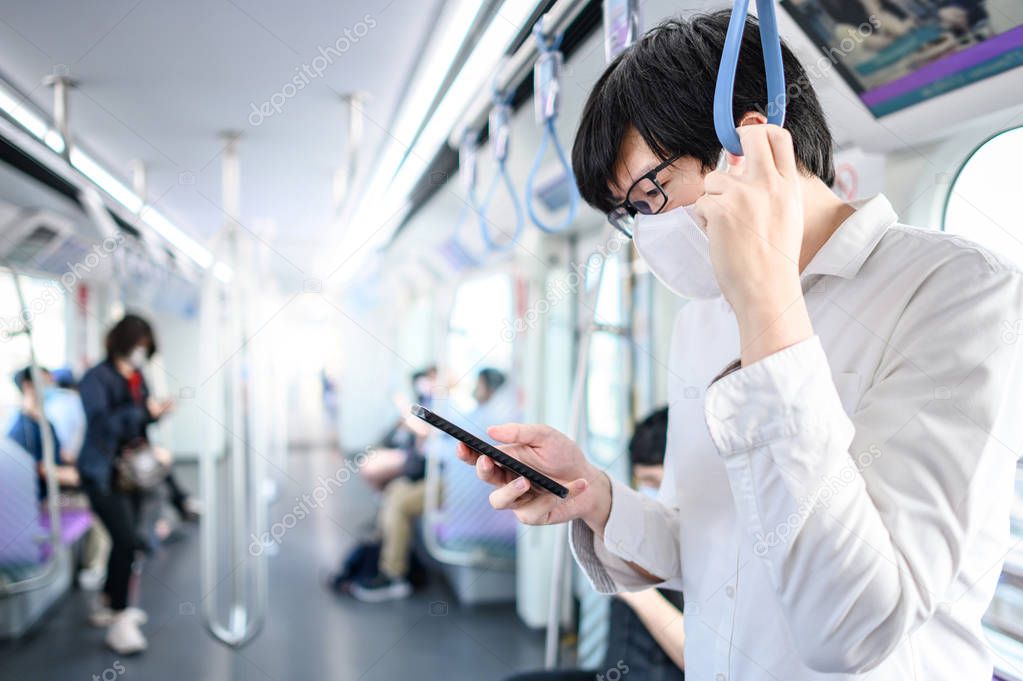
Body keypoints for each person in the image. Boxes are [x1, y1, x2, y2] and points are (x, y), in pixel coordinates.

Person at [459, 11, 1023, 681]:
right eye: (629, 213)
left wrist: (767, 303)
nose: (647, 231)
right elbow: (703, 535)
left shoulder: (956, 291)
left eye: (649, 194)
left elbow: (855, 627)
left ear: (746, 144)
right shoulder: (702, 316)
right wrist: (594, 494)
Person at [504, 407, 685, 681]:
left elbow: (693, 652)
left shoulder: (705, 545)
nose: (653, 493)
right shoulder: (641, 529)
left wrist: (634, 591)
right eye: (644, 482)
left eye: (658, 482)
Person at [350, 368, 510, 602]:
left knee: (399, 503)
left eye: (480, 384)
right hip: (451, 476)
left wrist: (430, 442)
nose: (476, 388)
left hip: (459, 484)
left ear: (488, 387)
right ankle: (384, 550)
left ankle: (394, 576)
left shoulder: (490, 421)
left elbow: (462, 457)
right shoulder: (475, 412)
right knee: (395, 489)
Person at [77, 314, 174, 655]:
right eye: (138, 345)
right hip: (100, 473)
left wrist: (156, 413)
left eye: (145, 347)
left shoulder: (138, 377)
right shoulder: (95, 379)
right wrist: (141, 412)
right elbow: (103, 425)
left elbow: (138, 424)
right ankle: (119, 619)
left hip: (131, 473)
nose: (140, 352)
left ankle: (108, 602)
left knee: (127, 538)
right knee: (126, 539)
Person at [359, 366, 438, 490]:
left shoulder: (440, 403)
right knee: (368, 464)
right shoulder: (424, 401)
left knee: (370, 468)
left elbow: (423, 431)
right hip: (411, 453)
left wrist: (404, 409)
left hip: (422, 460)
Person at [7, 367, 80, 500]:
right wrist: (73, 475)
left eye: (50, 383)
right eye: (44, 383)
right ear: (27, 386)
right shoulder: (22, 429)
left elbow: (59, 453)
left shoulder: (45, 423)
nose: (49, 388)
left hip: (53, 494)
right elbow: (37, 468)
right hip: (37, 500)